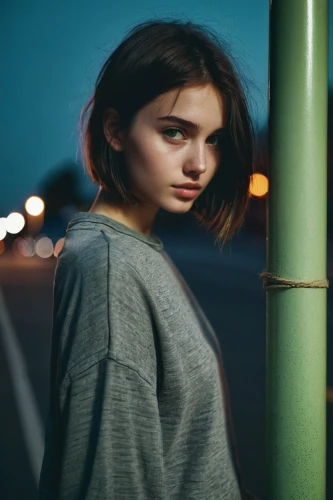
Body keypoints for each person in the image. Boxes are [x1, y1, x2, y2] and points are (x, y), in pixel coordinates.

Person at [39, 19, 256, 500]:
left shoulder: (132, 247)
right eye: (176, 133)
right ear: (115, 130)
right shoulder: (110, 269)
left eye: (214, 138)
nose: (200, 163)